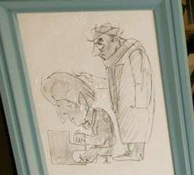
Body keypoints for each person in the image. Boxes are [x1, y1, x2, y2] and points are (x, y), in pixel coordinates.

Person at [90, 23, 155, 161]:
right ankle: (130, 151)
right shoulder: (113, 60)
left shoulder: (134, 52)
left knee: (134, 124)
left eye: (101, 44)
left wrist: (140, 105)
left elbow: (142, 81)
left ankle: (136, 153)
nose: (98, 51)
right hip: (122, 105)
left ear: (115, 40)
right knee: (126, 124)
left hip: (136, 105)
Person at [41, 71, 116, 164]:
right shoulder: (89, 118)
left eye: (70, 115)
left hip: (106, 151)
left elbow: (101, 139)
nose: (70, 119)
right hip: (99, 150)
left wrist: (84, 138)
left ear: (82, 105)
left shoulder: (101, 115)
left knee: (93, 153)